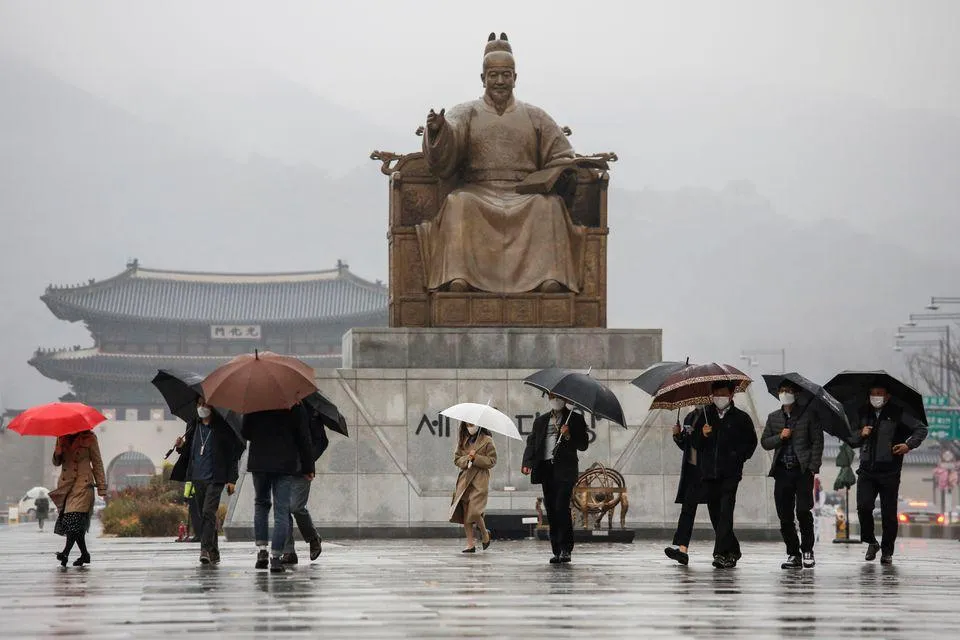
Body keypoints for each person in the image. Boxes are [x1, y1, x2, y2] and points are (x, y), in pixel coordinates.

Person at [417, 32, 586, 294]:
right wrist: (439, 131)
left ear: (515, 78)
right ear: (483, 78)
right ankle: (459, 277)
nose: (500, 81)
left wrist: (560, 170)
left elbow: (561, 153)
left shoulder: (534, 115)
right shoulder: (466, 112)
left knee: (549, 205)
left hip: (524, 192)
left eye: (506, 75)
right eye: (493, 75)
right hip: (478, 190)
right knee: (458, 203)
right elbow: (446, 149)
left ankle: (549, 278)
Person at [850, 382, 927, 565]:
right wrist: (861, 433)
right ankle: (871, 541)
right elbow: (851, 439)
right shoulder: (863, 413)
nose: (876, 396)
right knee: (864, 507)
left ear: (888, 396)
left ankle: (887, 551)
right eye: (873, 392)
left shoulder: (898, 413)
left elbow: (921, 429)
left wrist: (908, 444)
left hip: (890, 471)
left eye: (880, 393)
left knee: (889, 513)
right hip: (867, 470)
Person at [690, 382, 758, 569]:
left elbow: (751, 443)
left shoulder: (741, 418)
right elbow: (694, 444)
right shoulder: (704, 416)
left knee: (725, 512)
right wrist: (702, 435)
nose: (719, 397)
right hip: (709, 474)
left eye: (723, 393)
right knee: (715, 515)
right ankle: (733, 550)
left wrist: (738, 457)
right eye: (716, 394)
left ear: (731, 395)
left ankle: (720, 553)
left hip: (730, 474)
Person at [241, 404, 315, 574]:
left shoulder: (255, 402)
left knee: (261, 504)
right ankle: (276, 558)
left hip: (259, 462)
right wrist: (308, 466)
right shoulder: (294, 405)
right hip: (284, 463)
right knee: (281, 511)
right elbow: (303, 437)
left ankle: (261, 553)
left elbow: (245, 432)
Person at [170, 399, 245, 565]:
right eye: (198, 404)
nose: (201, 408)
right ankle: (214, 552)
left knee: (208, 513)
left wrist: (232, 479)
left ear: (213, 407)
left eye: (204, 404)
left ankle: (204, 549)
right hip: (197, 477)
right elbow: (188, 451)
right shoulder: (192, 426)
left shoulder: (222, 429)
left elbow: (232, 455)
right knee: (207, 516)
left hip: (215, 478)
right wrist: (180, 446)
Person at [760, 380, 824, 570]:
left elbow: (817, 442)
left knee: (803, 511)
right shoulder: (774, 418)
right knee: (785, 515)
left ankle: (807, 550)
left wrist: (812, 467)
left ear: (796, 393)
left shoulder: (808, 415)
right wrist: (781, 436)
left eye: (788, 390)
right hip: (782, 471)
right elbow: (765, 442)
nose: (784, 393)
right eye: (781, 390)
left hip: (802, 471)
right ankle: (793, 553)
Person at [521, 394, 589, 564]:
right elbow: (532, 443)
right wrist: (527, 462)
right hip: (546, 469)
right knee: (551, 509)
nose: (555, 399)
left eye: (558, 396)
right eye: (552, 396)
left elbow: (583, 444)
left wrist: (567, 435)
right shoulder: (541, 421)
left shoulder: (575, 419)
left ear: (565, 399)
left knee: (561, 506)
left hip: (565, 470)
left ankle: (566, 549)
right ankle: (556, 550)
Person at [48, 430, 107, 567]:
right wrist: (57, 453)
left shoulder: (90, 438)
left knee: (73, 518)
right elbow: (57, 462)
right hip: (67, 486)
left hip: (83, 484)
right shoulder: (61, 437)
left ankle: (65, 553)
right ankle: (85, 554)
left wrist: (101, 487)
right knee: (74, 523)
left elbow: (97, 463)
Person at [280, 407, 328, 565]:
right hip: (281, 467)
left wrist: (308, 462)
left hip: (303, 470)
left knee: (296, 507)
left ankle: (313, 538)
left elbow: (322, 441)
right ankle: (288, 552)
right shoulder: (277, 408)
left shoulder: (311, 411)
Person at [664, 408, 709, 565]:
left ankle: (727, 549)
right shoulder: (690, 417)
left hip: (709, 471)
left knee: (718, 514)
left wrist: (706, 435)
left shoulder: (712, 416)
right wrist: (677, 435)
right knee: (687, 511)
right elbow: (687, 445)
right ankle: (682, 550)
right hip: (692, 471)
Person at [449, 422, 497, 553]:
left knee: (475, 511)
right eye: (468, 424)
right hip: (465, 479)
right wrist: (467, 459)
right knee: (466, 512)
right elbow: (457, 459)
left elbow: (492, 461)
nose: (470, 427)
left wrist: (476, 458)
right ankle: (470, 544)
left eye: (472, 424)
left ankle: (484, 533)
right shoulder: (463, 440)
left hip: (480, 479)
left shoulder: (487, 440)